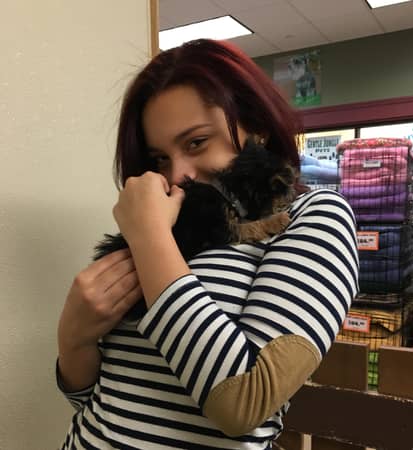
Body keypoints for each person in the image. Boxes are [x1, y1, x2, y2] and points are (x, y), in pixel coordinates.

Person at [56, 38, 359, 449]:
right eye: (159, 159)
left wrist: (149, 237)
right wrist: (73, 338)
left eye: (196, 142)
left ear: (257, 127)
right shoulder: (169, 225)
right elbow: (101, 400)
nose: (177, 175)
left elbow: (243, 403)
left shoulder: (315, 215)